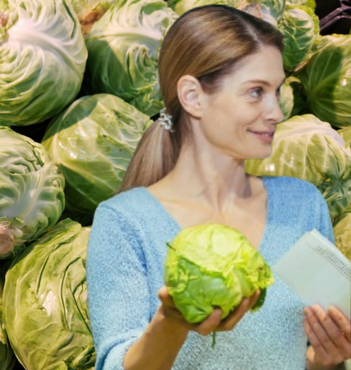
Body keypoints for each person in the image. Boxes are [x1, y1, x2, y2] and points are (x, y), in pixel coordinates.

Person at [86, 5, 351, 370]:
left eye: (276, 90)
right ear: (193, 97)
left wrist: (325, 361)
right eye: (256, 92)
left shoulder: (303, 204)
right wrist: (172, 322)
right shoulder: (124, 222)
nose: (276, 112)